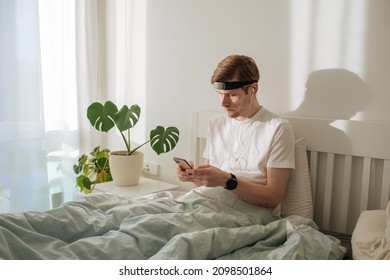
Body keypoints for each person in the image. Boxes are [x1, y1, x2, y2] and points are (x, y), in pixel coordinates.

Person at [176, 54, 295, 215]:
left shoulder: (278, 128)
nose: (223, 103)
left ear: (252, 89)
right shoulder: (216, 124)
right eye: (220, 94)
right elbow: (207, 183)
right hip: (204, 203)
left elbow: (273, 197)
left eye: (232, 95)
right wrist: (193, 176)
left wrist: (227, 180)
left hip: (244, 214)